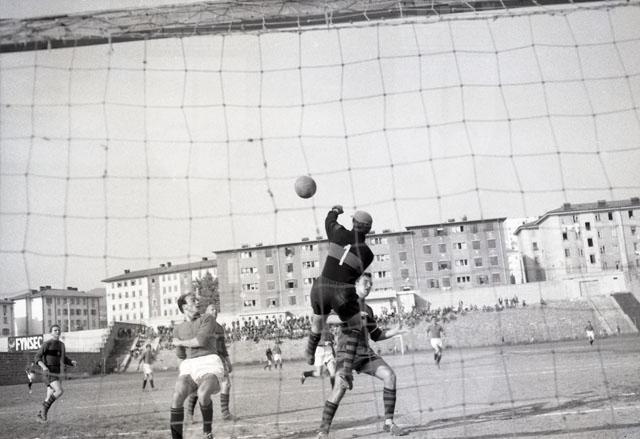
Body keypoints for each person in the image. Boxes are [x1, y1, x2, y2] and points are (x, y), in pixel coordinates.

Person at [317, 273, 408, 437]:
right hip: (346, 354)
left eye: (371, 283)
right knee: (339, 388)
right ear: (356, 284)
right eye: (366, 282)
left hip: (365, 353)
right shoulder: (343, 302)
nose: (369, 286)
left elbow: (376, 335)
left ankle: (389, 423)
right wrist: (351, 317)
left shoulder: (368, 309)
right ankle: (323, 431)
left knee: (390, 376)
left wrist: (395, 331)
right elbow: (327, 319)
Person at [305, 205, 374, 391]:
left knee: (317, 322)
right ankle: (346, 371)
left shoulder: (338, 233)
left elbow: (329, 221)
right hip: (341, 292)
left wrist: (335, 210)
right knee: (356, 326)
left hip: (320, 286)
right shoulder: (368, 254)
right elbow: (353, 274)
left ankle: (310, 352)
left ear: (353, 222)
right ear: (368, 230)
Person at [169, 293, 225, 439]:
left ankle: (207, 432)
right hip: (189, 365)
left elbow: (200, 341)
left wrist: (179, 342)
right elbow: (181, 356)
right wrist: (182, 376)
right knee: (177, 396)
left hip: (209, 362)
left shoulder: (207, 318)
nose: (198, 302)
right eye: (193, 300)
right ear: (184, 307)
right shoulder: (177, 329)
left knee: (203, 394)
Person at [184, 303, 235, 423]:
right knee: (197, 388)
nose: (215, 311)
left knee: (226, 383)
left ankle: (225, 413)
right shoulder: (200, 324)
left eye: (216, 310)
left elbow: (222, 347)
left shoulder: (219, 328)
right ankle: (189, 414)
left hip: (218, 359)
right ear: (206, 312)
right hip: (202, 359)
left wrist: (228, 361)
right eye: (212, 309)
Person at [34, 324, 77, 422]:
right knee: (59, 391)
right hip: (48, 372)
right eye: (55, 330)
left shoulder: (61, 345)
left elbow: (63, 358)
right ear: (51, 332)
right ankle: (44, 411)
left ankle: (40, 416)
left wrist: (71, 362)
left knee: (49, 396)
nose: (57, 332)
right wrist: (44, 367)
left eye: (58, 330)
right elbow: (37, 357)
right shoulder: (47, 344)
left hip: (57, 372)